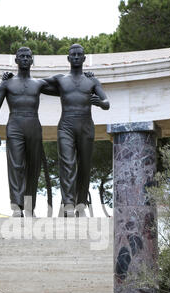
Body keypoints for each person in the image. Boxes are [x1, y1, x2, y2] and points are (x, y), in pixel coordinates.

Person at [0, 47, 58, 217]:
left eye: (28, 56)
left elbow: (65, 89)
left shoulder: (39, 83)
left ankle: (29, 208)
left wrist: (86, 80)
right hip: (15, 125)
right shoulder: (7, 83)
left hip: (34, 125)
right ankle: (16, 207)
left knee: (33, 169)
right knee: (16, 167)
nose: (26, 59)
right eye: (22, 56)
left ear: (32, 60)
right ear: (16, 60)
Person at [44, 44, 110, 217]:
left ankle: (80, 204)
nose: (75, 56)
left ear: (84, 58)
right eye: (72, 54)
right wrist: (9, 80)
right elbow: (37, 84)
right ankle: (68, 205)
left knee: (85, 167)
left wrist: (100, 102)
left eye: (79, 54)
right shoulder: (60, 79)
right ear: (68, 58)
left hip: (86, 127)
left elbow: (107, 103)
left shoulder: (92, 81)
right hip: (66, 126)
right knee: (68, 165)